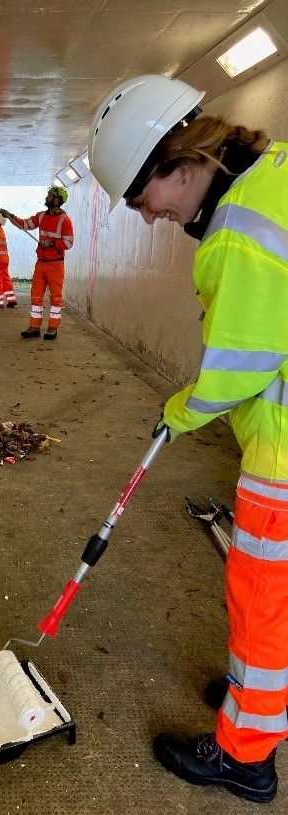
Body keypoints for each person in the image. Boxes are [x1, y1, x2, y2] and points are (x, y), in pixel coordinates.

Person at [89, 73, 287, 804]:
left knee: (262, 596)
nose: (145, 218)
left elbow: (237, 368)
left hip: (284, 450)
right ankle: (258, 703)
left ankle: (243, 754)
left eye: (143, 201)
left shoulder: (237, 231)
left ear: (173, 167)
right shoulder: (277, 174)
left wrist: (179, 408)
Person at [0, 187, 74, 340]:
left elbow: (69, 242)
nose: (46, 197)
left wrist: (52, 244)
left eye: (49, 195)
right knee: (35, 296)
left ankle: (52, 328)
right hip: (41, 263)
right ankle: (34, 327)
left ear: (57, 200)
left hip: (55, 264)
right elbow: (25, 224)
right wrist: (10, 216)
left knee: (55, 298)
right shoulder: (41, 216)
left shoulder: (64, 220)